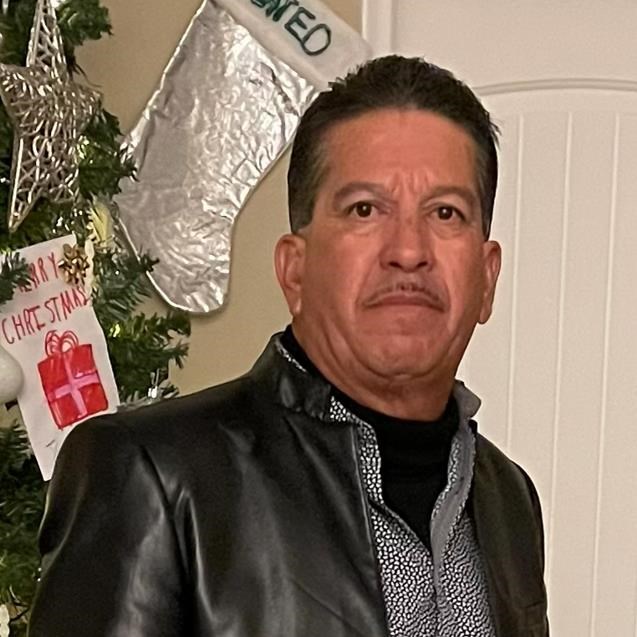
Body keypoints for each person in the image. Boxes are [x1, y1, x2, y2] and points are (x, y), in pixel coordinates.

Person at [29, 56, 549, 637]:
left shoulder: (510, 499)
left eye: (446, 213)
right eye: (364, 209)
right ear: (294, 271)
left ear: (486, 278)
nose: (408, 251)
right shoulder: (151, 475)